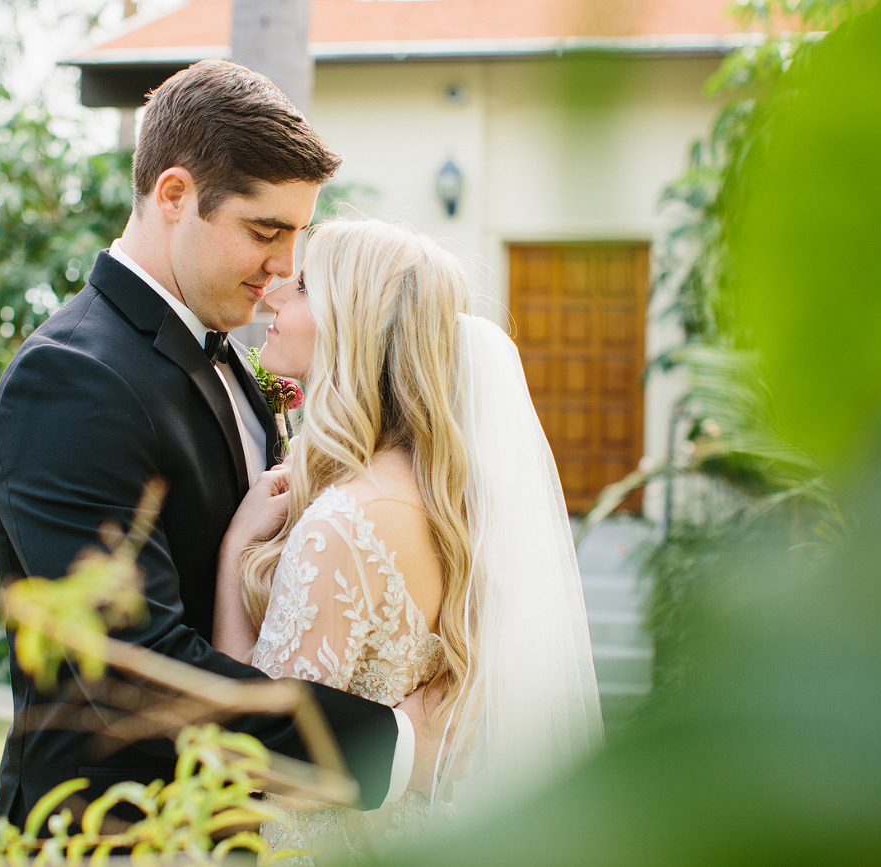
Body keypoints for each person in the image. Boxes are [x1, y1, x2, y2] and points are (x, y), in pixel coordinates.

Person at [0, 61, 443, 844]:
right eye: (265, 231)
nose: (285, 268)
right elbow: (131, 668)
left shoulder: (224, 354)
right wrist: (393, 747)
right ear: (173, 196)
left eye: (297, 234)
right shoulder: (72, 379)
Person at [213, 219, 606, 862]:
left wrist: (234, 555)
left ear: (354, 323)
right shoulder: (441, 504)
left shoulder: (343, 524)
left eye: (308, 284)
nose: (278, 291)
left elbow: (260, 757)